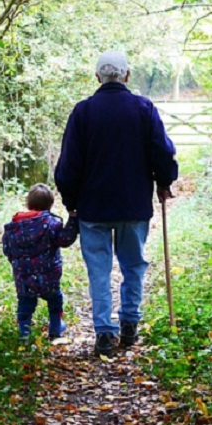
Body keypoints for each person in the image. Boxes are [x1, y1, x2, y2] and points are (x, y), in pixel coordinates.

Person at [54, 50, 178, 357]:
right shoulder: (143, 108)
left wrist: (71, 203)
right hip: (133, 205)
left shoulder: (82, 113)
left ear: (98, 77)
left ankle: (105, 334)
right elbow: (162, 152)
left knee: (99, 270)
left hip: (92, 208)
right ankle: (129, 325)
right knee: (133, 265)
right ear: (127, 75)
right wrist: (165, 181)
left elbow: (68, 165)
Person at [2, 184, 80, 340]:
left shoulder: (14, 227)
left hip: (23, 276)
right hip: (49, 275)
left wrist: (18, 264)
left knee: (25, 302)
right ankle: (56, 327)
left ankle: (24, 332)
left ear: (28, 204)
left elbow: (7, 249)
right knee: (55, 299)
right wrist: (73, 220)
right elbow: (64, 240)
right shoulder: (51, 224)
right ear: (50, 205)